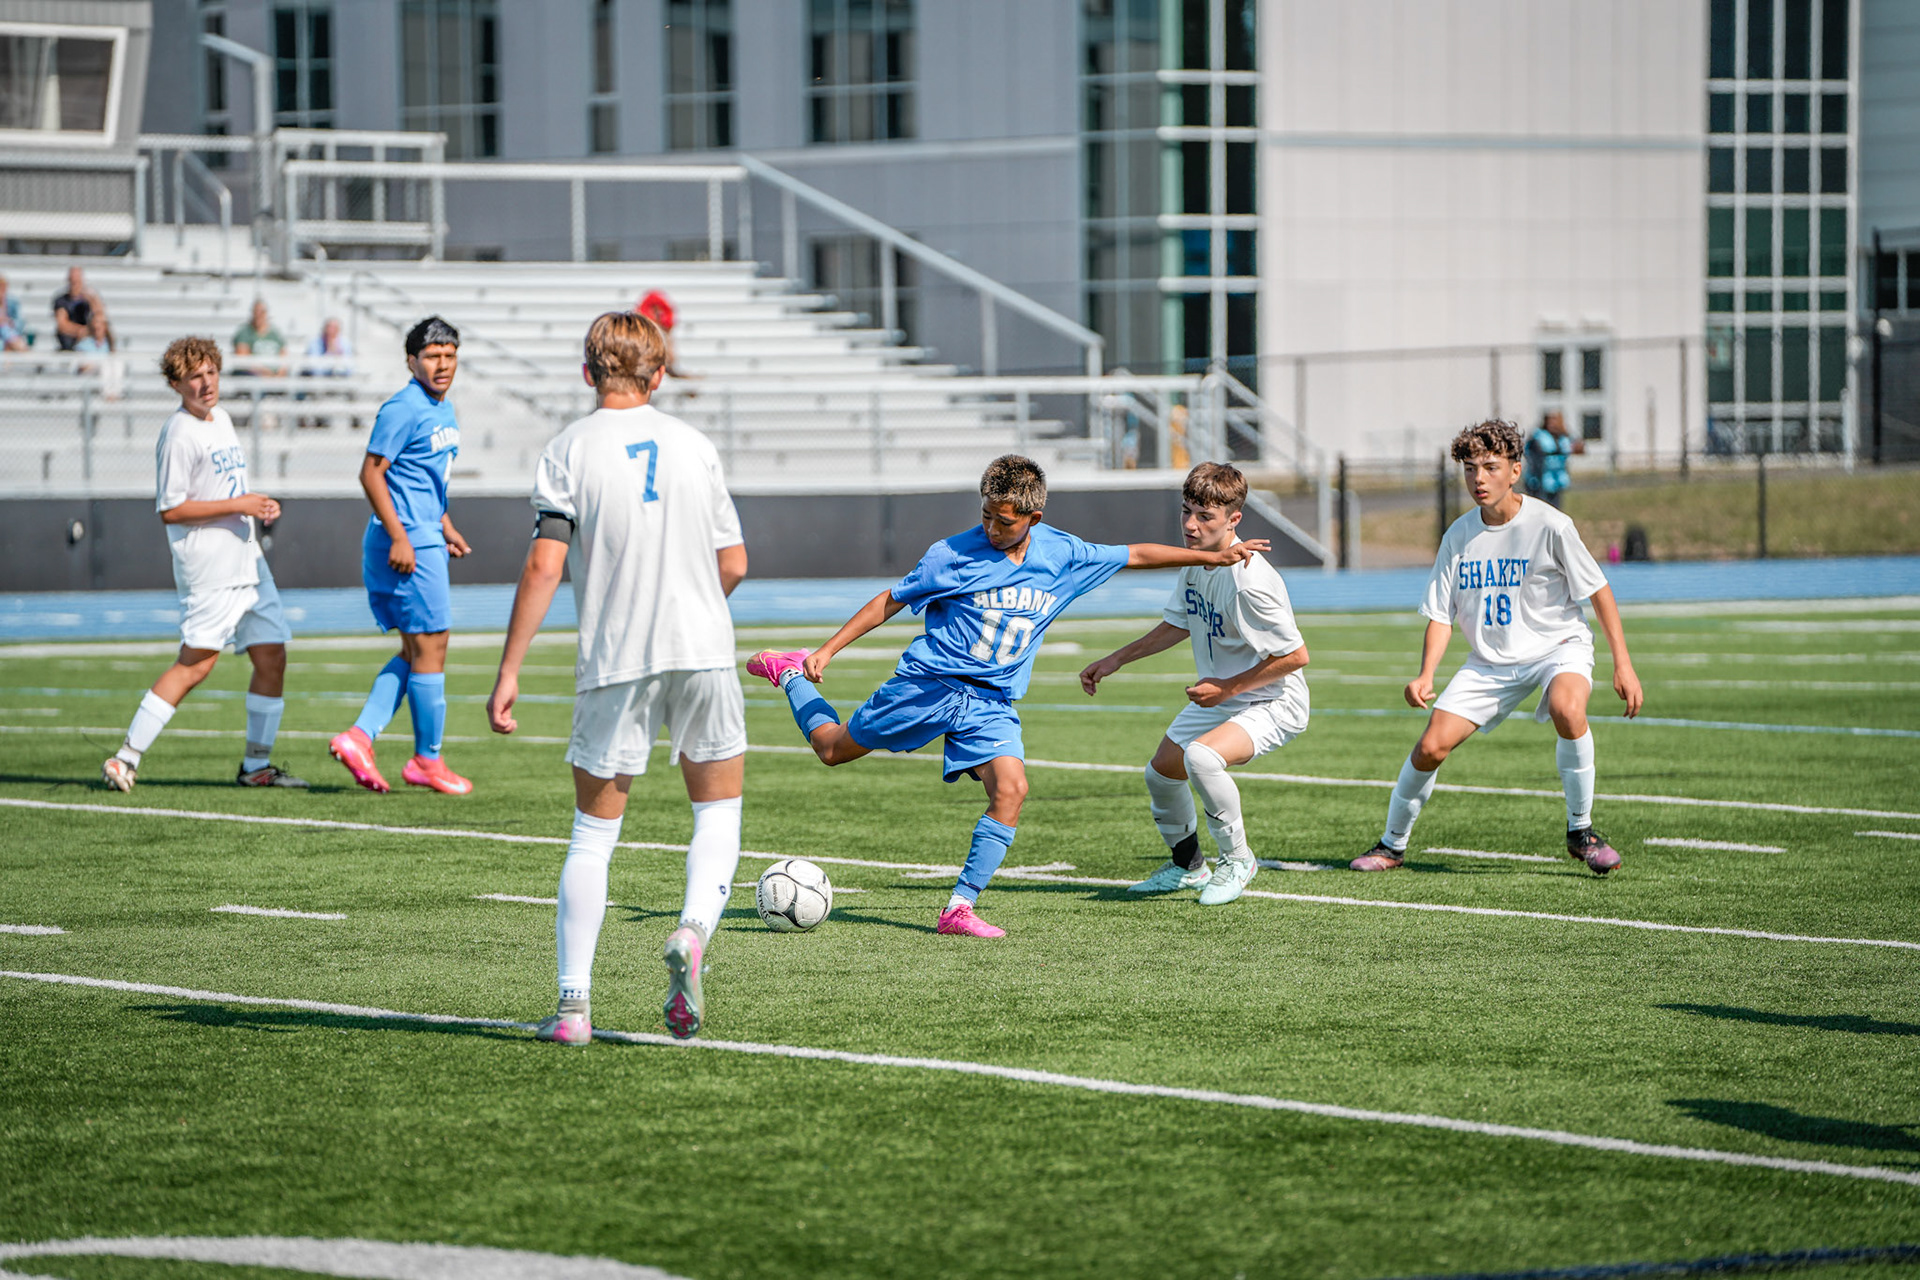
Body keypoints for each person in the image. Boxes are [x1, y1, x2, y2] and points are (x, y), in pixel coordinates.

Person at [745, 455, 1269, 938]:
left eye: (1005, 522)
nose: (992, 529)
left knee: (1012, 789)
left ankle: (959, 908)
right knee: (832, 749)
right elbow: (890, 600)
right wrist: (827, 650)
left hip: (990, 703)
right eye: (986, 516)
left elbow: (1135, 554)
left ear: (1033, 519)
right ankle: (788, 673)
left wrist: (1213, 557)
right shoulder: (950, 554)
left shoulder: (1062, 553)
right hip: (929, 685)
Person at [487, 311, 749, 1045]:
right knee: (717, 813)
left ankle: (574, 1008)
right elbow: (734, 563)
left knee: (594, 834)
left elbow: (545, 564)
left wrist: (509, 669)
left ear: (587, 372)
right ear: (658, 375)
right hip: (704, 650)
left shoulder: (568, 448)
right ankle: (693, 931)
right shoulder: (695, 445)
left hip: (616, 659)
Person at [1351, 420, 1643, 876]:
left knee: (1568, 709)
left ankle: (1581, 831)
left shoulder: (1551, 525)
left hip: (1557, 648)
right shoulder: (1458, 536)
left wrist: (1623, 664)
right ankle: (1391, 845)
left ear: (1515, 470)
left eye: (1490, 467)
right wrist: (1426, 674)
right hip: (1490, 662)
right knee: (1430, 747)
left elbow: (1599, 592)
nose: (1479, 479)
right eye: (1470, 469)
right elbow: (1441, 614)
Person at [1078, 462, 1311, 905]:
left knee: (1202, 758)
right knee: (1162, 774)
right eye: (1186, 511)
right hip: (1229, 695)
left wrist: (1227, 688)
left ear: (1234, 519)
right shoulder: (1197, 562)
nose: (1190, 525)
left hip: (1274, 701)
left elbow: (1296, 657)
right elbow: (1178, 623)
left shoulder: (1249, 582)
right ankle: (1188, 868)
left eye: (1205, 517)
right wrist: (1115, 659)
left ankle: (1238, 860)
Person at [101, 337, 306, 792]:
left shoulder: (223, 419)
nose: (206, 382)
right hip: (211, 570)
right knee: (195, 665)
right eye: (195, 376)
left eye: (211, 371)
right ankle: (125, 757)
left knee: (272, 655)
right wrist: (239, 504)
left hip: (248, 562)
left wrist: (257, 505)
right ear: (176, 384)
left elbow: (227, 491)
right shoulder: (178, 433)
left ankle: (256, 766)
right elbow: (171, 509)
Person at [329, 316, 473, 796]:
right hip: (407, 541)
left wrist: (445, 524)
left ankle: (359, 737)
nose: (442, 365)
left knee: (417, 650)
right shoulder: (404, 407)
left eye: (449, 356)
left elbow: (425, 478)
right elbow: (371, 474)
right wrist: (400, 537)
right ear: (412, 362)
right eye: (432, 356)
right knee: (432, 645)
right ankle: (427, 760)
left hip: (425, 535)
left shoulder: (442, 408)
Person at [1524, 412, 1575, 508]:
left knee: (1555, 507)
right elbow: (1532, 452)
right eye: (1549, 421)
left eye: (1554, 421)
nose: (1552, 424)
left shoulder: (1563, 436)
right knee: (1540, 506)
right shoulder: (1537, 436)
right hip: (1539, 479)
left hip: (1556, 479)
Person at [52, 267, 95, 352]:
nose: (75, 283)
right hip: (69, 342)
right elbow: (62, 325)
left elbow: (99, 318)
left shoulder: (89, 300)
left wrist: (92, 299)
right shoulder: (62, 301)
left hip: (88, 341)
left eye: (77, 280)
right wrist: (81, 330)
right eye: (73, 280)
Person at [0, 275, 29, 351]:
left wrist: (9, 322)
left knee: (6, 329)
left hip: (10, 332)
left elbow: (20, 321)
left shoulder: (12, 301)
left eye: (3, 287)